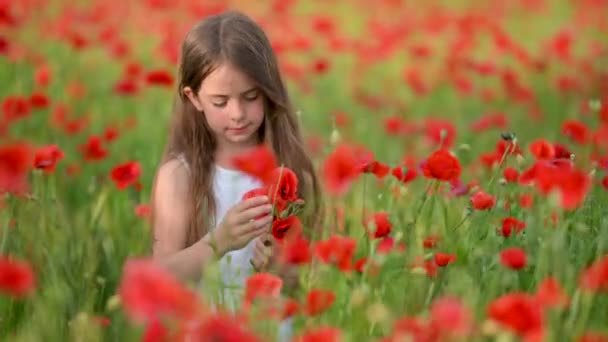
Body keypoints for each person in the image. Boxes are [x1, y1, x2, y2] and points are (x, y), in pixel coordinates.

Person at [149, 9, 322, 340]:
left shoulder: (290, 171)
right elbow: (161, 275)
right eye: (220, 101)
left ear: (268, 90)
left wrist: (281, 268)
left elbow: (309, 278)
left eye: (250, 97)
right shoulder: (180, 176)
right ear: (194, 98)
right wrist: (219, 241)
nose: (238, 113)